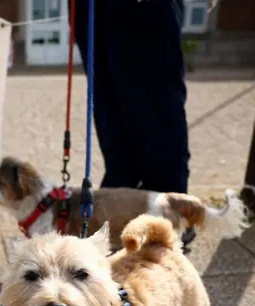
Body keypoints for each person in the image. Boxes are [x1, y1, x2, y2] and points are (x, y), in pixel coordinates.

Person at [72, 0, 191, 195]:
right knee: (117, 147)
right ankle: (121, 203)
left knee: (160, 145)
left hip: (141, 7)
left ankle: (166, 213)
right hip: (90, 8)